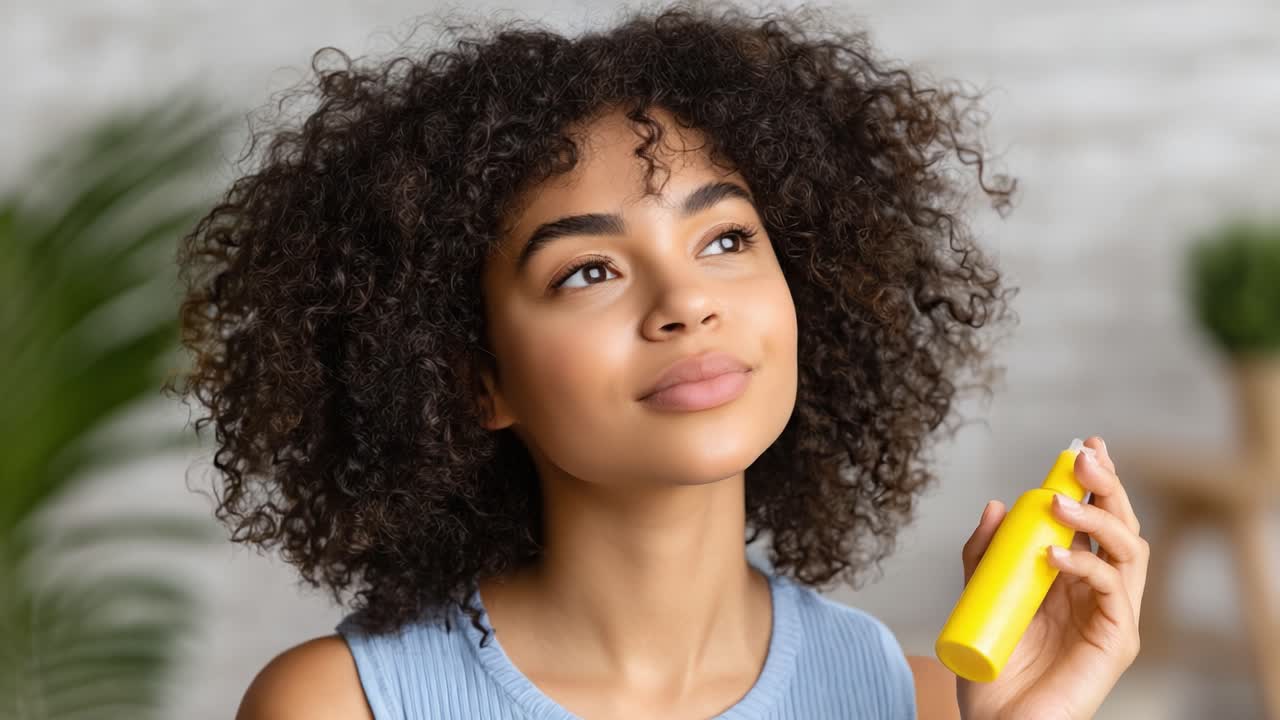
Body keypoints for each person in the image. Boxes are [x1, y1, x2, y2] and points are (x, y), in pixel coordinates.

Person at [168, 1, 1147, 717]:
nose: (684, 305)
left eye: (724, 242)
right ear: (475, 378)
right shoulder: (341, 707)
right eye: (588, 271)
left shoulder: (919, 701)